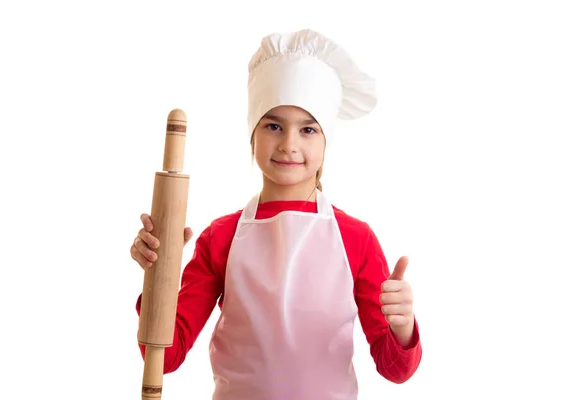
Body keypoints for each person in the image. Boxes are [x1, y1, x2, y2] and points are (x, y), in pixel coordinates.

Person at [130, 28, 422, 399]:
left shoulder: (357, 239)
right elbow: (164, 356)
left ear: (325, 141)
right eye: (273, 125)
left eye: (308, 129)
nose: (289, 144)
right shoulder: (221, 237)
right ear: (252, 134)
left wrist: (402, 327)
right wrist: (159, 276)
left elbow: (395, 369)